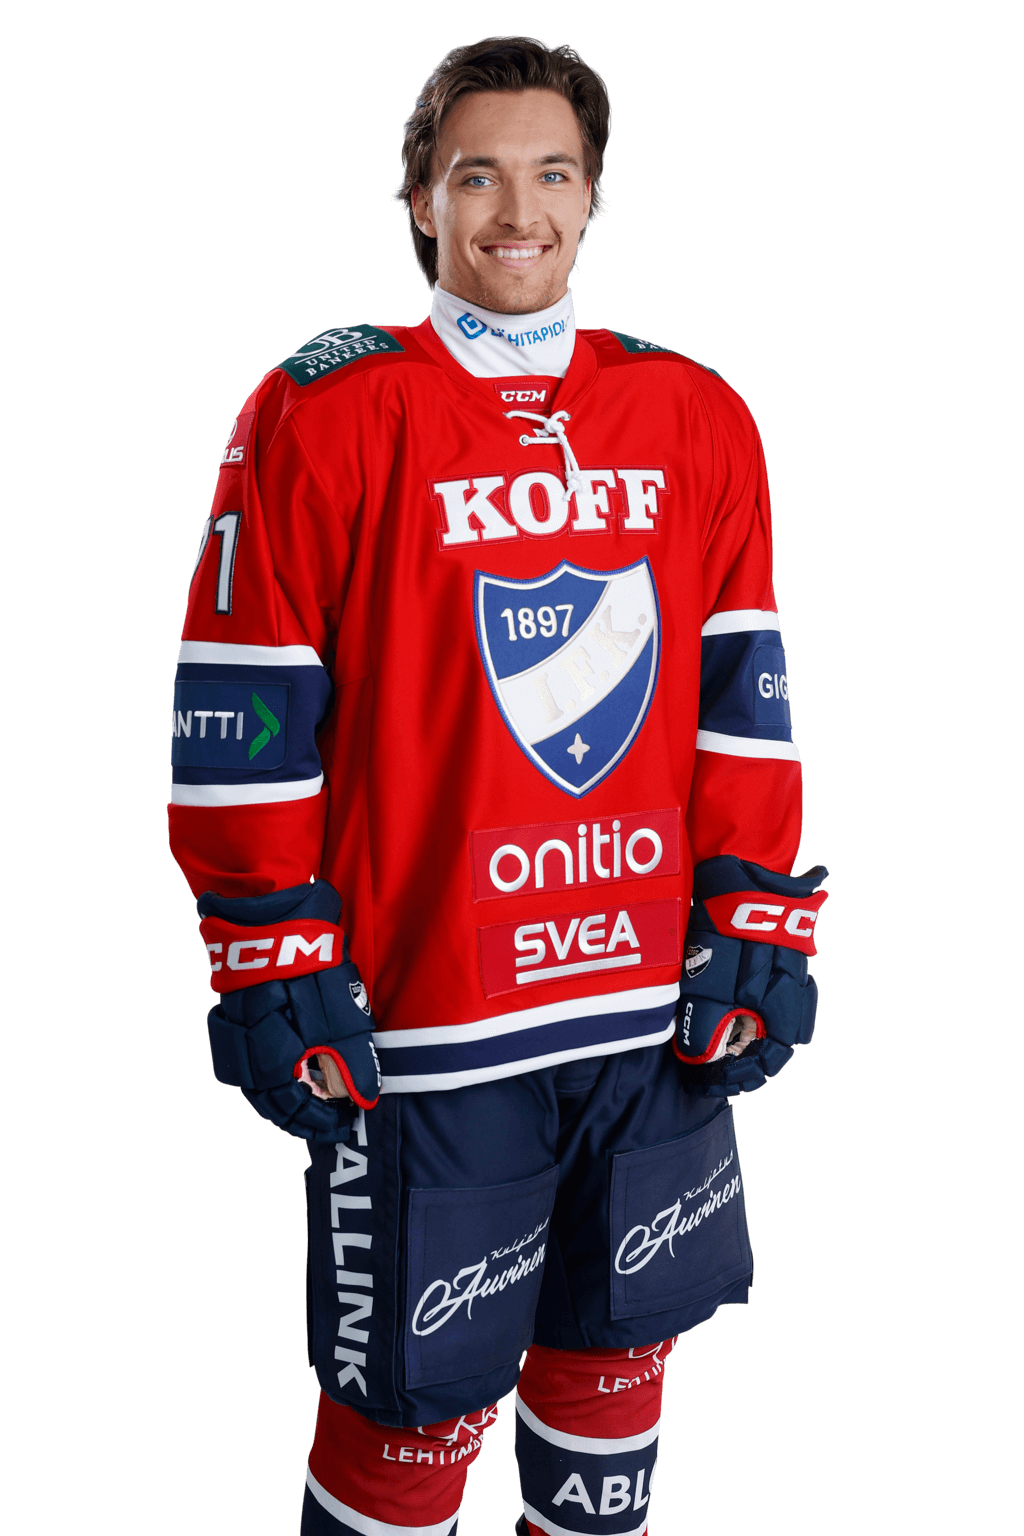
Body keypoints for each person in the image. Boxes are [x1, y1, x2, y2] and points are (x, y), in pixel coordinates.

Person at [169, 35, 827, 1536]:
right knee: (412, 1419)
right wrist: (270, 946)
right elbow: (243, 710)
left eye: (552, 175)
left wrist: (758, 910)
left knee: (620, 1369)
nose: (517, 213)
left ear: (593, 198)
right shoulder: (325, 406)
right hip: (429, 1017)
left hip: (648, 1005)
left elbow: (744, 691)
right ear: (420, 199)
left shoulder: (695, 412)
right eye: (477, 176)